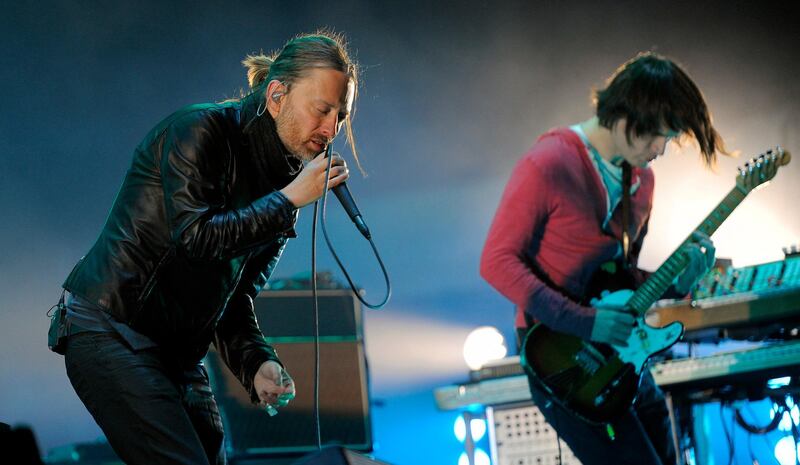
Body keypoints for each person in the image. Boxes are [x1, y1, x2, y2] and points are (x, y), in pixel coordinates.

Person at [50, 31, 359, 465]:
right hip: (111, 327)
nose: (330, 129)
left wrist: (255, 362)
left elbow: (233, 297)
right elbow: (196, 241)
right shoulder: (200, 131)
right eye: (322, 109)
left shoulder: (283, 191)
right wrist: (287, 200)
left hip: (176, 353)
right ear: (276, 96)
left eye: (339, 116)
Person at [480, 52, 724, 465]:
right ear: (626, 117)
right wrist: (584, 322)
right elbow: (496, 262)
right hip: (563, 360)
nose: (661, 149)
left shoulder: (642, 181)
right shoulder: (549, 163)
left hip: (619, 357)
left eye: (669, 137)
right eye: (656, 135)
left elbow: (618, 280)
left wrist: (677, 282)